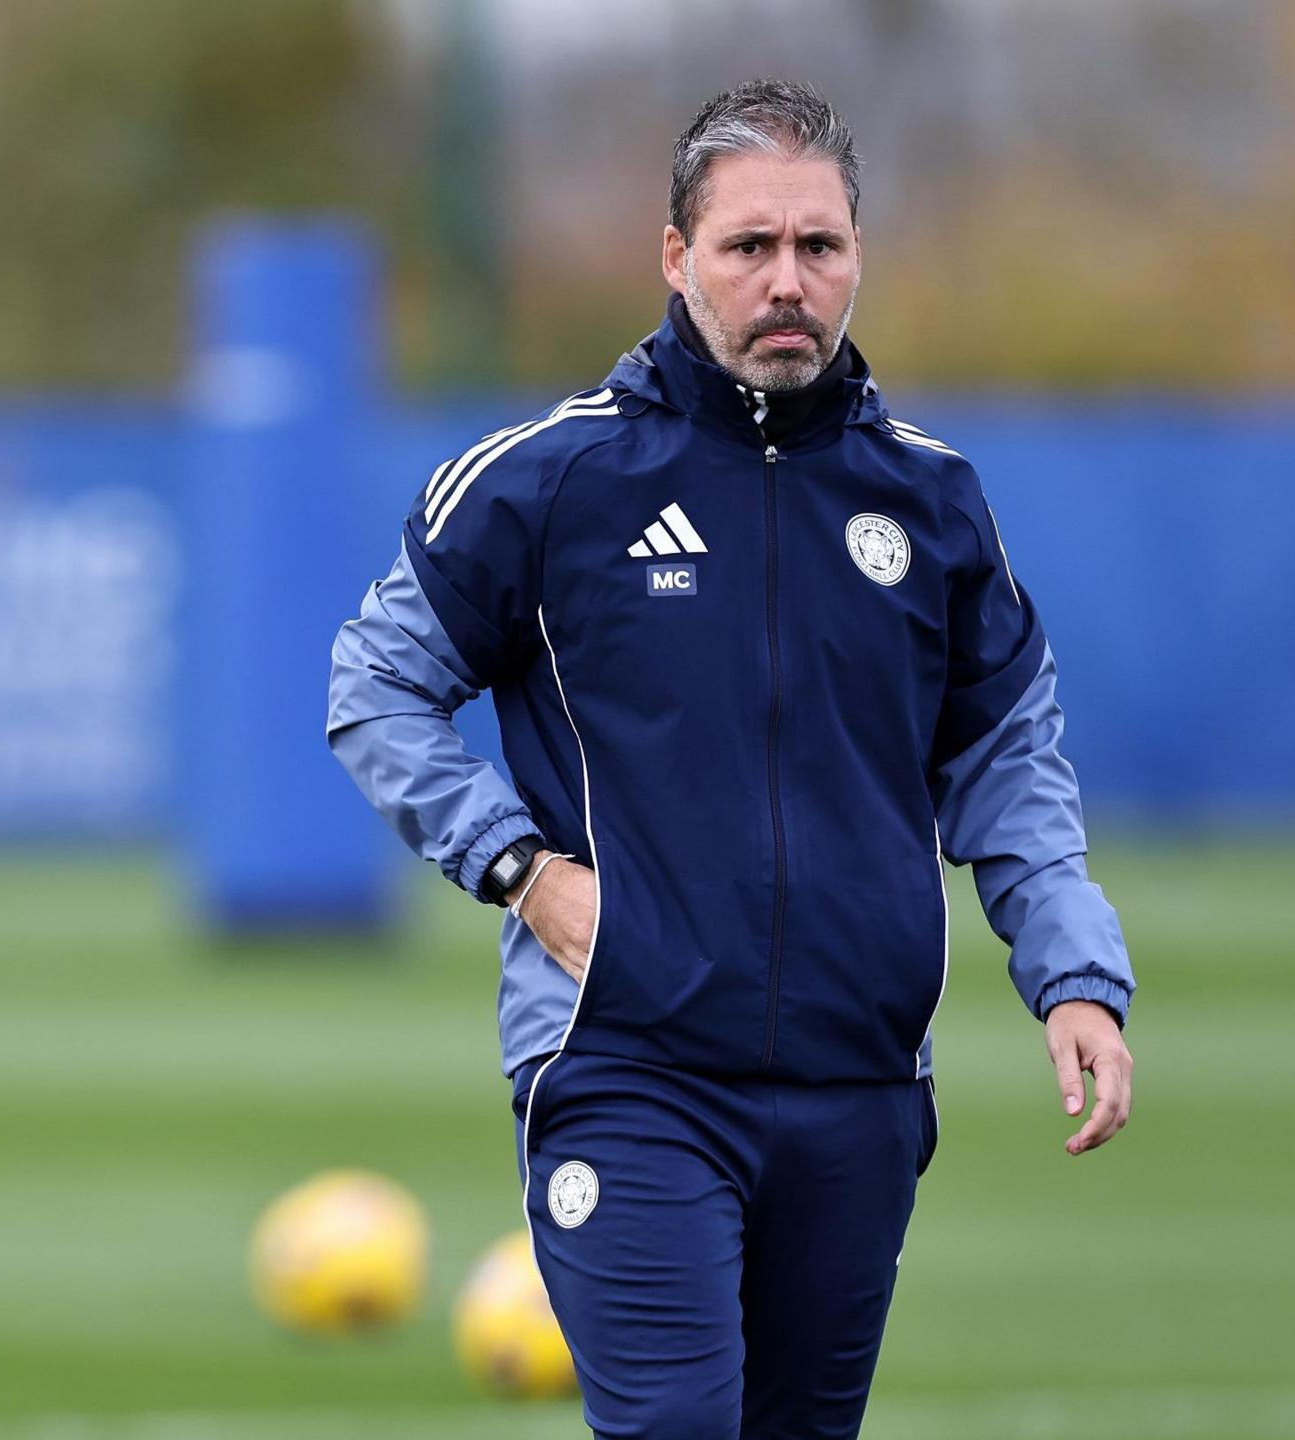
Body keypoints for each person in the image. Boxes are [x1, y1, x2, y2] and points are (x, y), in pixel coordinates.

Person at [325, 78, 1135, 1439]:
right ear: (676, 256)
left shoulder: (929, 500)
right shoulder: (553, 481)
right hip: (627, 1065)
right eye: (749, 245)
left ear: (859, 256)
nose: (787, 282)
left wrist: (1075, 974)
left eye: (819, 246)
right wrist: (521, 870)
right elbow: (375, 687)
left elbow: (1007, 757)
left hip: (860, 1085)